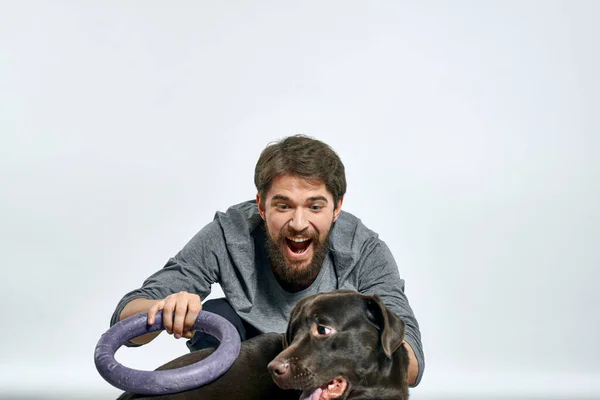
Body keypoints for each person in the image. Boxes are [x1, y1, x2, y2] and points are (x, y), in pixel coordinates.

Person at [110, 134, 425, 387]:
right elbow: (127, 318)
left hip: (327, 361)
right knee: (217, 316)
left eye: (315, 206)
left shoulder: (364, 249)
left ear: (336, 207)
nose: (299, 223)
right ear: (261, 206)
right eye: (284, 206)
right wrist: (163, 311)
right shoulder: (229, 234)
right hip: (248, 365)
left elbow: (410, 362)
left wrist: (349, 367)